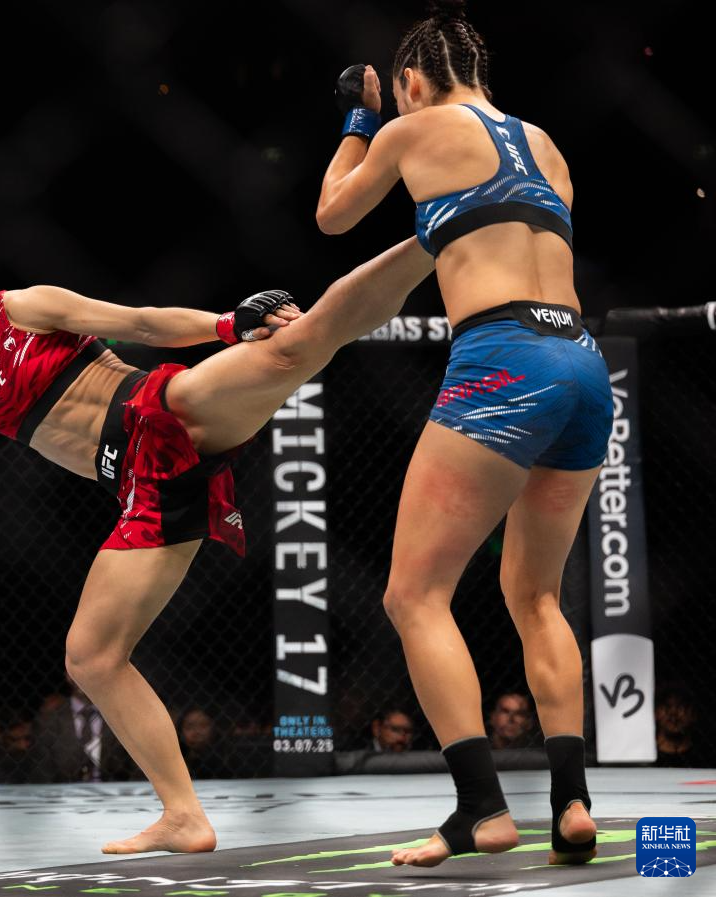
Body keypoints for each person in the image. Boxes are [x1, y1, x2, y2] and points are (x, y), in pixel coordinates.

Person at [0, 209, 434, 853]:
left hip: (161, 412)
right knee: (91, 657)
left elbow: (140, 322)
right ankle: (183, 815)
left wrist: (226, 325)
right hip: (142, 490)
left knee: (295, 344)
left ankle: (439, 231)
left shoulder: (30, 307)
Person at [317, 0, 611, 868]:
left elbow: (332, 213)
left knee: (413, 593)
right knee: (537, 596)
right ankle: (570, 802)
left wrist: (359, 119)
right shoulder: (546, 144)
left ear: (412, 81)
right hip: (583, 361)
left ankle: (481, 808)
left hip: (503, 357)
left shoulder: (413, 127)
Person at [33, 677, 138, 783]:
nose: (84, 676)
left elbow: (137, 769)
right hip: (63, 790)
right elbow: (42, 773)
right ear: (68, 675)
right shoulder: (48, 721)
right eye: (79, 668)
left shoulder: (123, 716)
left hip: (117, 789)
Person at [654, 683, 707, 768]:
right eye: (667, 707)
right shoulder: (643, 754)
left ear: (693, 714)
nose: (673, 714)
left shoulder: (706, 754)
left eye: (681, 707)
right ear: (655, 713)